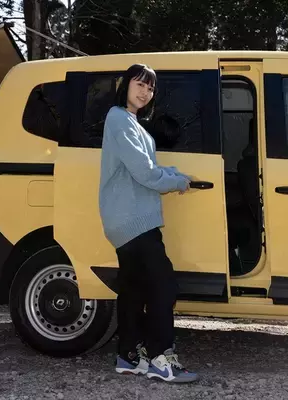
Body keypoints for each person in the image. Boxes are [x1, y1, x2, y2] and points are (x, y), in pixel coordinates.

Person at [98, 63, 198, 383]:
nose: (145, 92)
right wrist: (177, 182)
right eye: (140, 84)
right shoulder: (119, 118)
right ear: (125, 84)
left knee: (134, 289)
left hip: (126, 220)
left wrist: (175, 174)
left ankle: (128, 356)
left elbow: (147, 167)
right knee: (163, 287)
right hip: (135, 219)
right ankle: (160, 359)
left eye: (151, 88)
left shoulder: (131, 122)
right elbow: (145, 173)